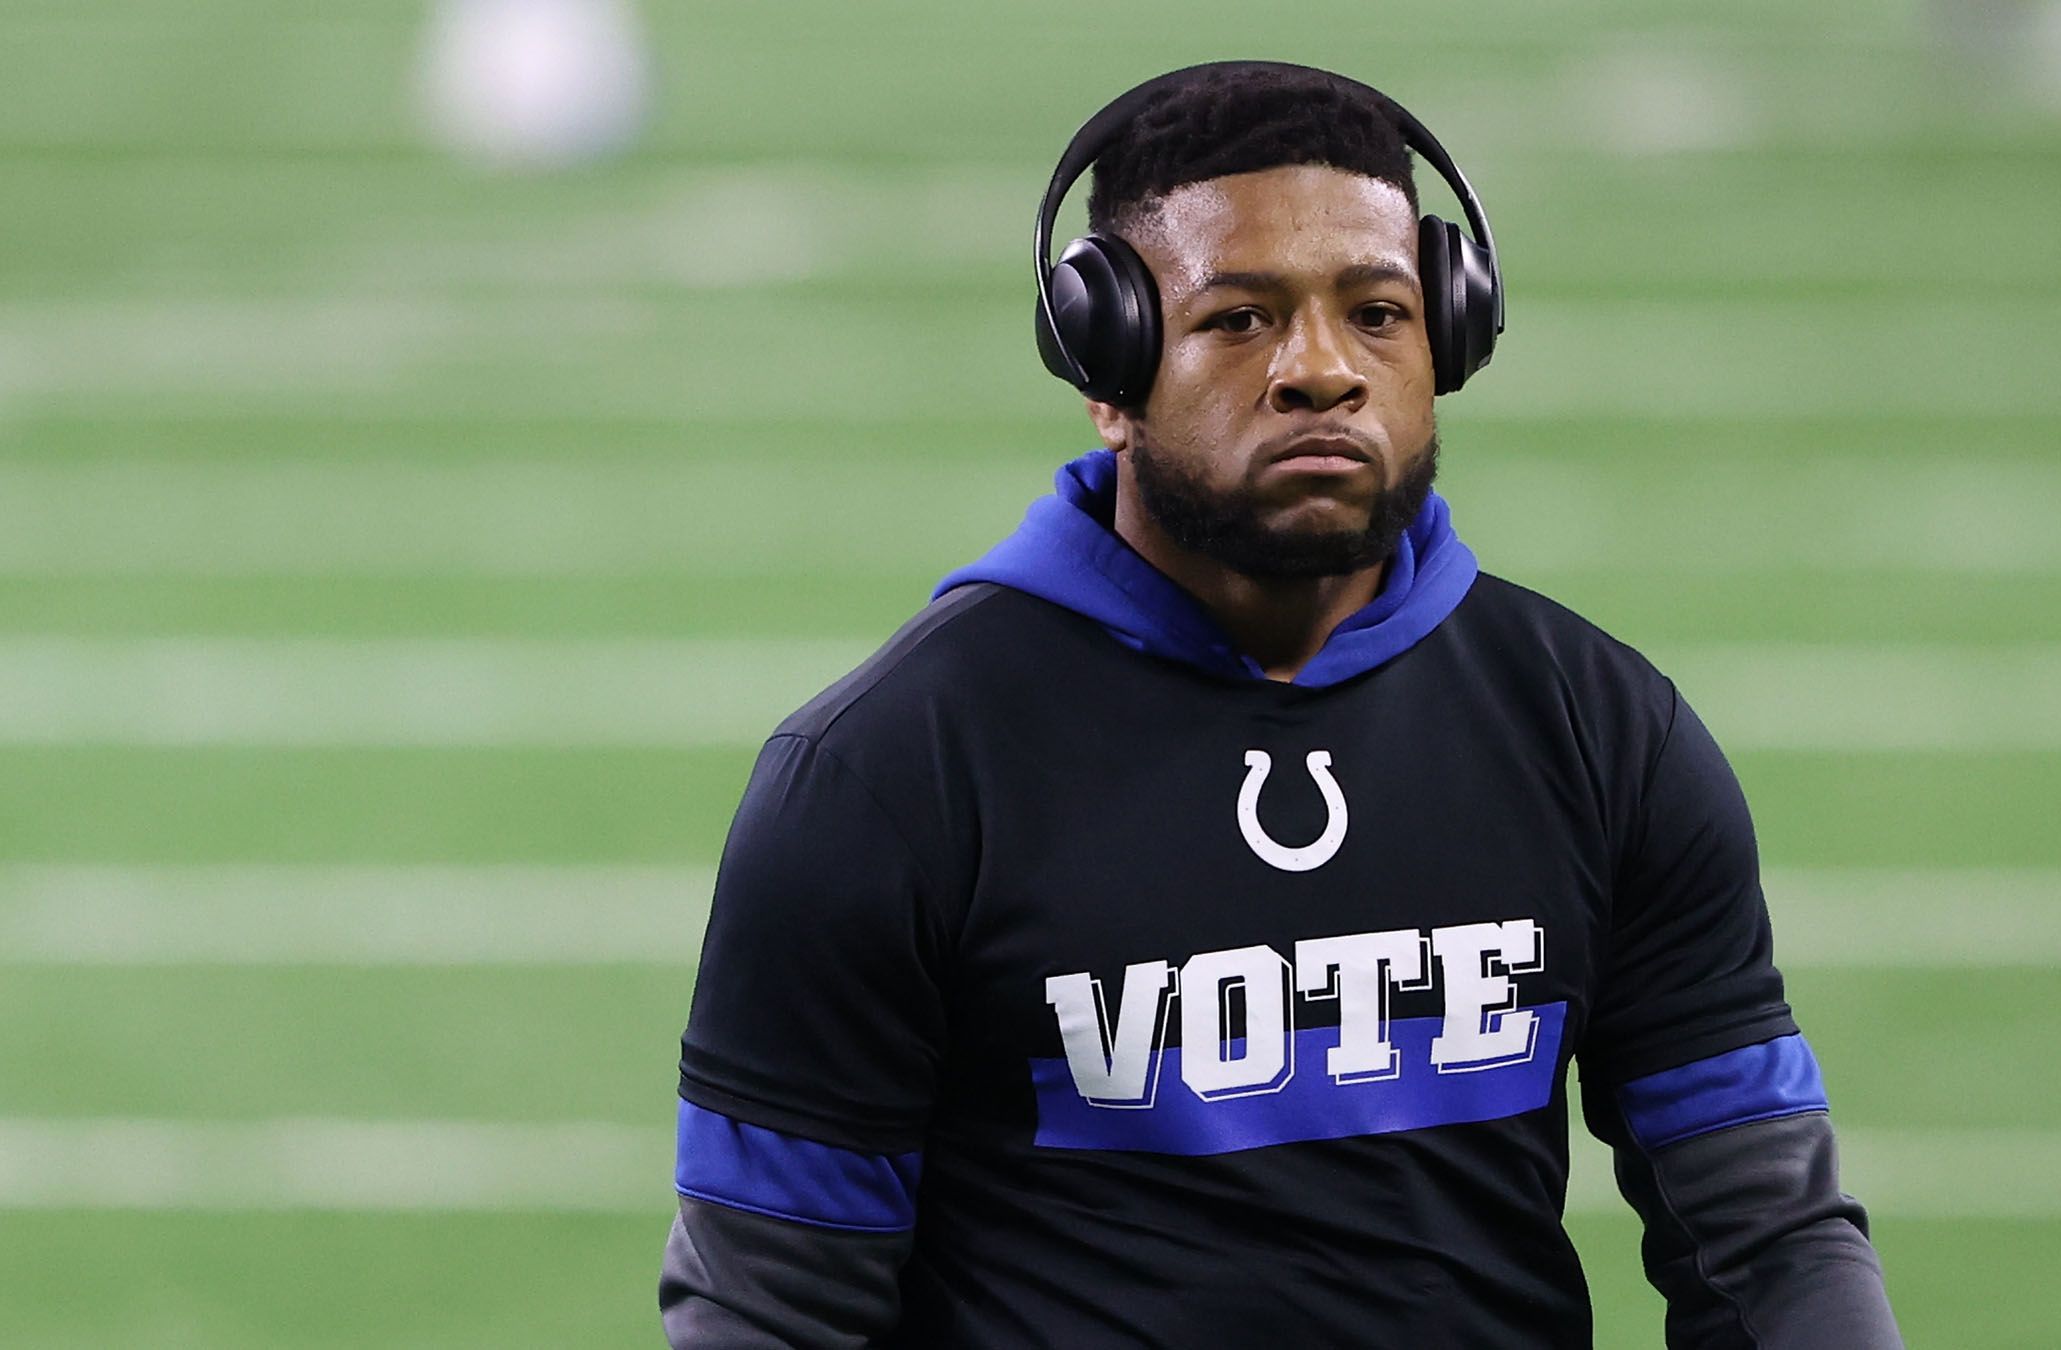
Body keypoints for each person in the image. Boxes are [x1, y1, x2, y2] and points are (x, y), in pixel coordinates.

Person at [661, 61, 1902, 1349]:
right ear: (1108, 368)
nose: (1322, 370)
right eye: (1242, 319)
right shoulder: (883, 777)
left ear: (1452, 334)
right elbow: (772, 1310)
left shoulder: (1600, 730)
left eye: (1379, 313)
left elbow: (1767, 1238)